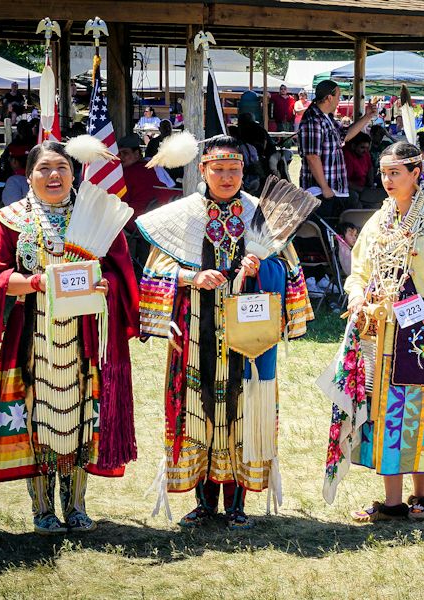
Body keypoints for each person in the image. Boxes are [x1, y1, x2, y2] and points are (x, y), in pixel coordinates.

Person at [137, 134, 313, 529]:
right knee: (198, 409)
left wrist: (261, 269)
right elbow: (154, 273)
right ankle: (204, 502)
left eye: (234, 169)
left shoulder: (262, 214)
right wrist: (191, 276)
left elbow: (292, 274)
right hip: (196, 332)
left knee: (244, 410)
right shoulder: (181, 215)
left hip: (248, 338)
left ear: (243, 171)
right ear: (203, 170)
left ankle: (237, 504)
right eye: (218, 168)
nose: (227, 176)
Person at [328, 141, 424, 521]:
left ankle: (421, 498)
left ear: (417, 172)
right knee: (383, 411)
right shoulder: (379, 220)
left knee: (422, 413)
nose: (387, 180)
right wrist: (355, 298)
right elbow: (359, 271)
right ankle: (392, 503)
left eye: (395, 172)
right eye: (383, 173)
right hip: (378, 330)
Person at [0, 140, 139, 533]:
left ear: (74, 174)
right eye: (44, 169)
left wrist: (105, 285)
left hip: (84, 335)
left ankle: (76, 506)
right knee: (36, 416)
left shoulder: (94, 216)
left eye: (61, 168)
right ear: (29, 175)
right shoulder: (9, 219)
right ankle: (42, 509)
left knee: (81, 415)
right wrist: (35, 282)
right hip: (32, 334)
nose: (53, 175)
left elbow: (119, 269)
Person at [298, 80, 377, 218]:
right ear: (329, 97)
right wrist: (324, 187)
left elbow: (345, 136)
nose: (339, 100)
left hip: (331, 189)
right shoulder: (313, 119)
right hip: (319, 191)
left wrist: (367, 117)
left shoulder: (326, 117)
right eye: (338, 96)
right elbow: (312, 156)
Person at [116, 134, 178, 277]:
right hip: (155, 220)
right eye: (119, 154)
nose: (121, 157)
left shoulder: (126, 173)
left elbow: (118, 203)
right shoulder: (152, 168)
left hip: (135, 222)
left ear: (137, 153)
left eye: (125, 153)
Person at [343, 131, 374, 206]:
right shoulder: (347, 156)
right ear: (353, 146)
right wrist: (361, 189)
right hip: (349, 189)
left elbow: (370, 169)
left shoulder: (366, 154)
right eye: (362, 147)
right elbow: (344, 182)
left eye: (367, 148)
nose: (365, 151)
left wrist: (371, 184)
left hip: (363, 187)